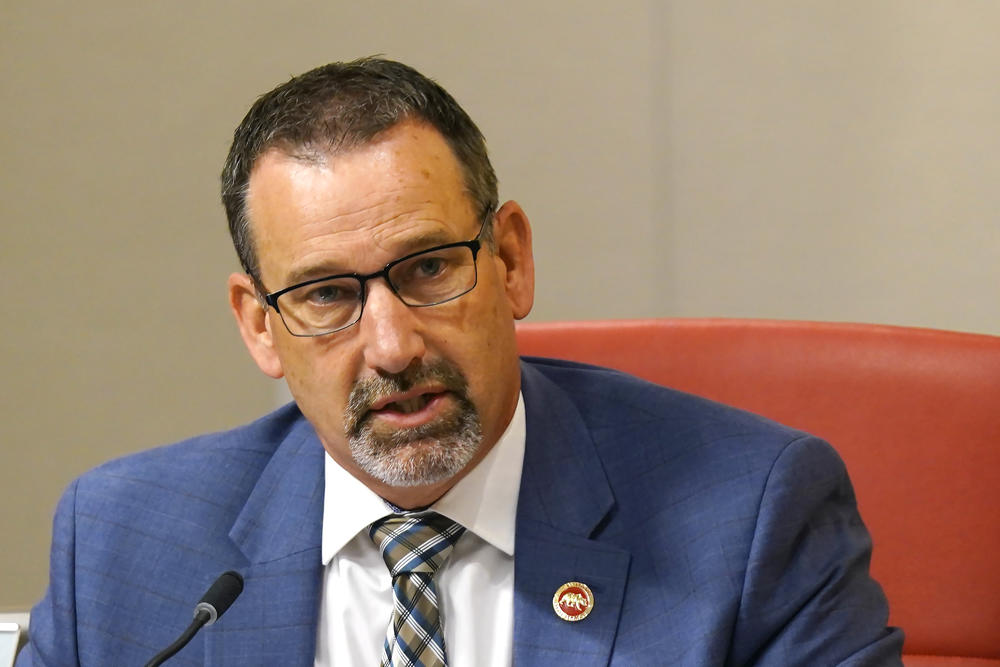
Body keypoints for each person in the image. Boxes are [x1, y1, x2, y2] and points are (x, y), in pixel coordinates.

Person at [18, 57, 903, 666]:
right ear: (259, 325)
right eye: (326, 295)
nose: (393, 344)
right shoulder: (121, 547)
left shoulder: (751, 519)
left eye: (429, 268)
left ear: (510, 260)